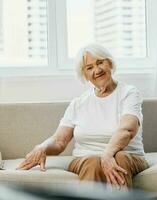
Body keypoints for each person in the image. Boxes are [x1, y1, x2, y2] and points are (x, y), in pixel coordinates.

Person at [17, 44, 148, 189]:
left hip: (129, 155)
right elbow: (60, 140)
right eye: (89, 67)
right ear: (85, 75)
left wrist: (107, 155)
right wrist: (42, 147)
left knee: (120, 157)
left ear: (110, 63)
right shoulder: (78, 103)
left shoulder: (129, 93)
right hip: (86, 158)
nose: (97, 70)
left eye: (100, 62)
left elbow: (127, 130)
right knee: (92, 162)